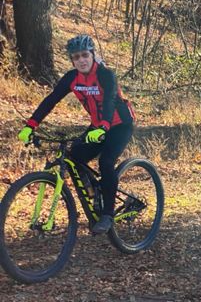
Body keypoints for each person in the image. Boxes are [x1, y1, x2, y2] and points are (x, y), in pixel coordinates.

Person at [17, 34, 135, 235]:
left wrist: (103, 127)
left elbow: (109, 101)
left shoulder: (106, 74)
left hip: (120, 124)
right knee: (74, 156)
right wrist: (31, 125)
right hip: (98, 125)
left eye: (85, 55)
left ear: (92, 55)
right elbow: (51, 99)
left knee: (106, 162)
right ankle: (95, 193)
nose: (81, 60)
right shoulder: (72, 78)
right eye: (76, 57)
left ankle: (107, 215)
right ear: (72, 60)